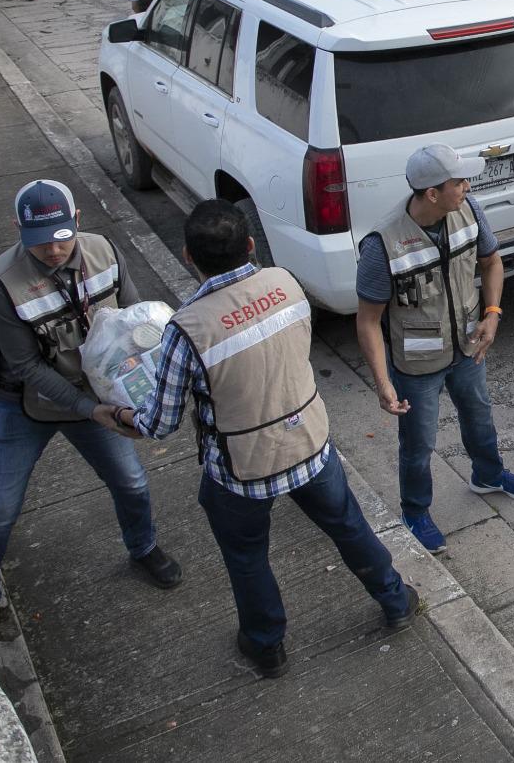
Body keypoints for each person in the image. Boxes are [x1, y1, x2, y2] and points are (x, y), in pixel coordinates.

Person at [115, 200, 417, 679]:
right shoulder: (288, 283)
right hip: (310, 446)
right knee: (349, 528)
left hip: (241, 470)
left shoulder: (187, 329)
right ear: (251, 245)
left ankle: (266, 644)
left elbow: (160, 423)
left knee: (247, 557)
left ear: (189, 256)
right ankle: (396, 599)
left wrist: (115, 411)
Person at [0, 180, 181, 669]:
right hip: (24, 403)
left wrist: (138, 389)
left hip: (94, 392)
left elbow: (134, 320)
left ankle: (142, 548)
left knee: (132, 483)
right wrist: (91, 411)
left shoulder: (103, 249)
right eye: (40, 241)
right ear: (18, 230)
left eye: (62, 235)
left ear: (76, 218)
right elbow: (27, 368)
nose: (54, 250)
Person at [354, 144, 514, 555]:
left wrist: (492, 313)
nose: (467, 186)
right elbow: (367, 320)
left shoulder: (469, 210)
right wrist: (383, 383)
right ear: (431, 193)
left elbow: (491, 262)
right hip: (416, 364)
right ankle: (415, 510)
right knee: (419, 444)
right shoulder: (382, 245)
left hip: (469, 346)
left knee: (480, 416)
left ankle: (488, 474)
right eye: (458, 182)